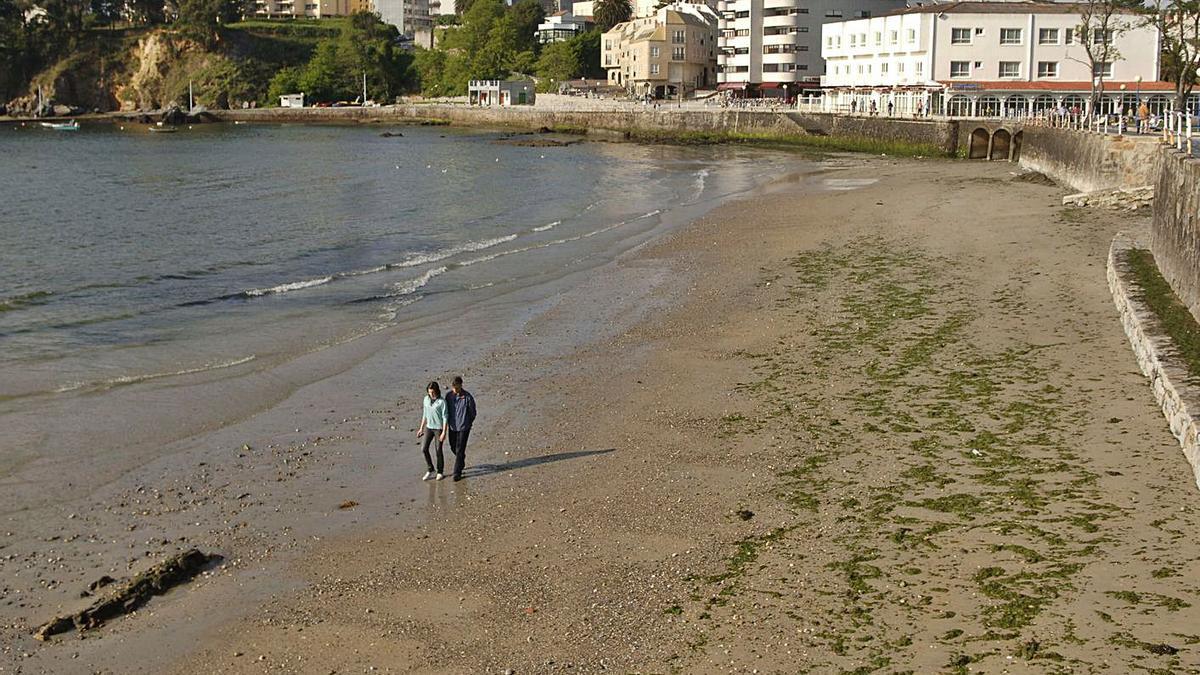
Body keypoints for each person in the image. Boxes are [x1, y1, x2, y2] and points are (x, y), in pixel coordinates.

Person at [444, 376, 477, 482]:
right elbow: (445, 410)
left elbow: (473, 412)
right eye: (454, 388)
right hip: (452, 427)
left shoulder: (467, 397)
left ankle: (457, 472)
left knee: (459, 449)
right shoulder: (448, 396)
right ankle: (461, 460)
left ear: (461, 385)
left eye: (457, 388)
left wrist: (468, 422)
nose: (455, 390)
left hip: (464, 427)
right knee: (453, 447)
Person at [416, 381, 447, 481]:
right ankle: (430, 469)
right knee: (424, 448)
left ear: (437, 391)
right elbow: (425, 414)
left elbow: (445, 417)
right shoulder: (426, 399)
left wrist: (444, 432)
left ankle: (440, 471)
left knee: (438, 450)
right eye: (429, 392)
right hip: (429, 427)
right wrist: (421, 428)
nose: (431, 394)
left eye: (433, 392)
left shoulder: (442, 402)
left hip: (438, 428)